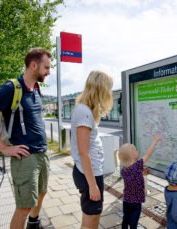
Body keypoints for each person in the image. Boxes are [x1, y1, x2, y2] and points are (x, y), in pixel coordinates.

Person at [0, 48, 52, 229]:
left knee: (42, 193)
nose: (49, 72)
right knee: (24, 207)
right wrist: (4, 148)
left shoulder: (35, 89)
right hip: (25, 158)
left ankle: (34, 223)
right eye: (46, 68)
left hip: (42, 153)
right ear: (34, 65)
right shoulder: (10, 88)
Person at [71, 70, 113, 229]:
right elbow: (83, 152)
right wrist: (93, 185)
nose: (109, 93)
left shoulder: (85, 110)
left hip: (90, 172)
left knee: (92, 217)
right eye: (108, 88)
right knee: (91, 220)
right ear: (100, 89)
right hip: (89, 175)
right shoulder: (84, 112)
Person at [117, 135, 162, 229]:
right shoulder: (137, 165)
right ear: (132, 155)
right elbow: (148, 154)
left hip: (126, 200)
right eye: (136, 150)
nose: (138, 151)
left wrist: (141, 174)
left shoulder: (124, 170)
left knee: (126, 219)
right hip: (136, 202)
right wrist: (154, 141)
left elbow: (133, 178)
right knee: (133, 222)